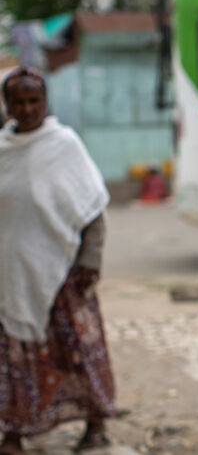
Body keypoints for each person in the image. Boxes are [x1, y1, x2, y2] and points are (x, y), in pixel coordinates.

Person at [0, 68, 114, 454]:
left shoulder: (64, 145)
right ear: (7, 105)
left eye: (34, 100)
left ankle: (96, 424)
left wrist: (90, 261)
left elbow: (92, 208)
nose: (27, 108)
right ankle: (13, 431)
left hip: (64, 271)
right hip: (12, 275)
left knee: (78, 349)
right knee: (14, 358)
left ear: (46, 102)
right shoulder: (3, 149)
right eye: (18, 101)